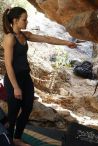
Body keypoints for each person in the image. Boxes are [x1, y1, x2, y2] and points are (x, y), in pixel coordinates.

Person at [2, 7, 77, 146]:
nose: (27, 22)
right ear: (15, 20)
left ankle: (17, 138)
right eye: (24, 19)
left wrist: (66, 43)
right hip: (14, 80)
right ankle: (8, 140)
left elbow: (46, 39)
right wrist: (16, 87)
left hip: (26, 78)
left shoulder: (25, 35)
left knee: (27, 107)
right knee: (13, 111)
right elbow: (8, 65)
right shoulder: (9, 38)